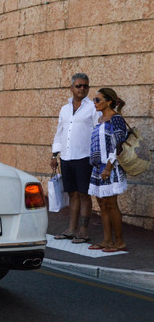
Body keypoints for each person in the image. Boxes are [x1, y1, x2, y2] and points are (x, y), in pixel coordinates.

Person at [50, 73, 100, 243]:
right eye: (78, 86)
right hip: (66, 157)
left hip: (85, 157)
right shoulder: (64, 109)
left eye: (85, 86)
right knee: (72, 193)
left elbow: (98, 131)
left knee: (84, 194)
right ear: (71, 88)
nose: (82, 89)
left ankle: (84, 230)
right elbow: (60, 133)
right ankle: (71, 228)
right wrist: (54, 154)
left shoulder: (93, 108)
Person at [88, 88, 128, 252]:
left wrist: (109, 167)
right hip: (98, 167)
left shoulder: (116, 119)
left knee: (111, 204)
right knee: (102, 204)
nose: (95, 103)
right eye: (94, 100)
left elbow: (119, 145)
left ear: (109, 101)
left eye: (98, 100)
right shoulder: (99, 119)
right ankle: (107, 240)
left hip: (111, 167)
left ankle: (119, 242)